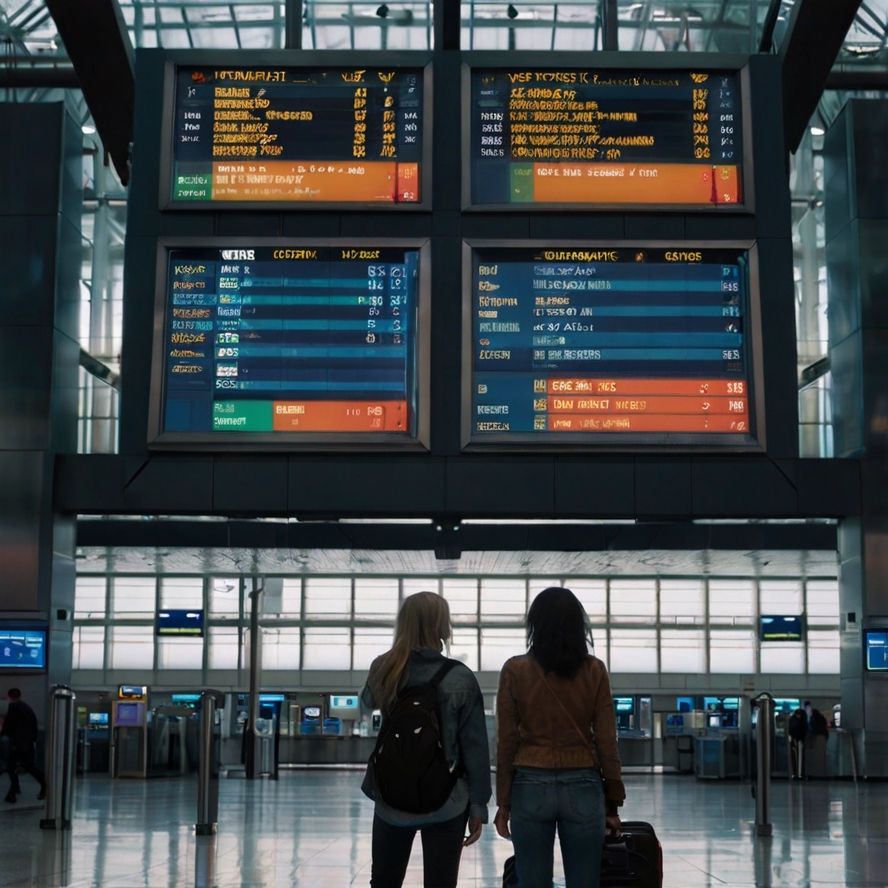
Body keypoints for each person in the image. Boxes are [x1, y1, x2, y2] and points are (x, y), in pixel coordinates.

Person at [495, 587, 625, 888]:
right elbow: (607, 741)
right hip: (583, 787)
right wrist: (613, 802)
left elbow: (506, 742)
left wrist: (503, 802)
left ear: (535, 624)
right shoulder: (595, 671)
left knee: (532, 882)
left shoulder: (515, 670)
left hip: (529, 786)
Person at [361, 591, 491, 888]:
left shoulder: (384, 667)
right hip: (448, 800)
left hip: (390, 796)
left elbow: (365, 703)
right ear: (441, 626)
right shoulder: (459, 676)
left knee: (384, 880)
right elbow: (475, 747)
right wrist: (478, 805)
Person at [2, 688, 46, 803]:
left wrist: (2, 734)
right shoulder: (26, 708)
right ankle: (13, 791)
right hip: (27, 744)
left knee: (22, 767)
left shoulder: (13, 707)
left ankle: (44, 784)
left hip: (18, 745)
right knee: (17, 767)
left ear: (9, 696)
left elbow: (9, 727)